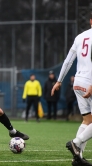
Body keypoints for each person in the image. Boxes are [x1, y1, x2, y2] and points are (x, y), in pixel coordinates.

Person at [51, 13, 92, 166]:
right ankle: (76, 143)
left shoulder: (80, 37)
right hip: (90, 82)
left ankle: (77, 157)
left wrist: (59, 81)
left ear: (90, 21)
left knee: (88, 120)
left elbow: (68, 60)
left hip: (78, 81)